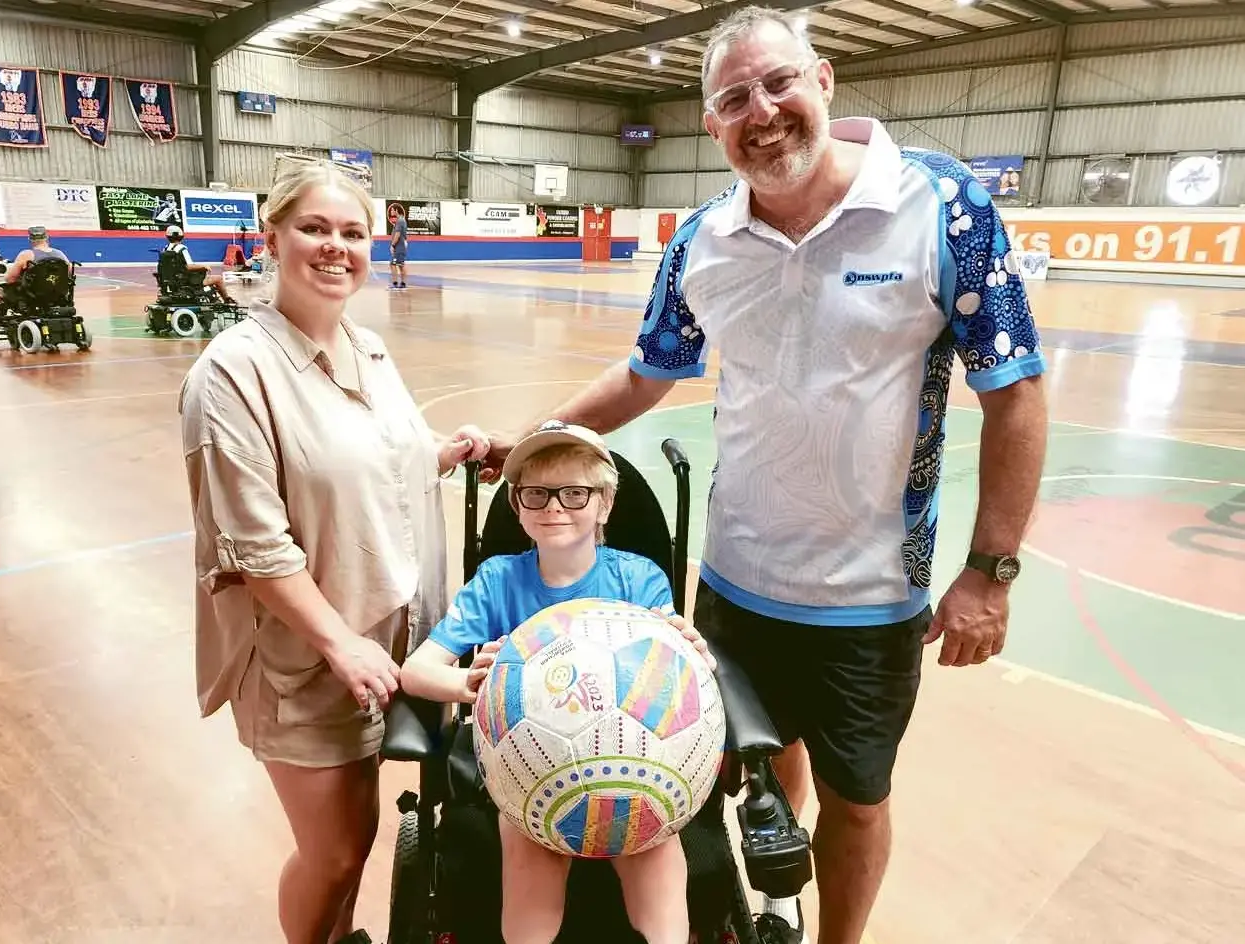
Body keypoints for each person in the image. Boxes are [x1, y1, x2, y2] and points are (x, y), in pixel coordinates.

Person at [477, 8, 1050, 944]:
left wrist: (992, 569)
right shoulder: (703, 238)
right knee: (750, 763)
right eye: (733, 98)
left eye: (778, 83)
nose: (762, 111)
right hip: (736, 584)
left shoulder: (939, 205)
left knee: (856, 799)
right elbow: (646, 373)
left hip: (871, 595)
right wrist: (535, 438)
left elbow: (1015, 392)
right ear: (711, 124)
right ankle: (775, 904)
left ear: (823, 80)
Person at [177, 162, 490, 944]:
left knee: (358, 841)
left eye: (352, 233)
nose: (334, 247)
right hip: (309, 655)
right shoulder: (231, 374)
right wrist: (339, 643)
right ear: (271, 238)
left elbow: (388, 450)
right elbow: (255, 548)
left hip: (394, 642)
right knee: (337, 849)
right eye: (314, 229)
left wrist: (443, 451)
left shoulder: (368, 347)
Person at [401, 421, 715, 944]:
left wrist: (695, 658)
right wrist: (468, 684)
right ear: (518, 506)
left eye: (575, 493)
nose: (555, 507)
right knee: (532, 891)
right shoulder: (499, 580)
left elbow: (672, 680)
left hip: (635, 773)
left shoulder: (638, 580)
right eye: (537, 494)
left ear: (604, 504)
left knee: (659, 884)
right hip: (531, 780)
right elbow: (416, 669)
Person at [0, 225, 69, 314]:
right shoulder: (60, 254)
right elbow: (68, 275)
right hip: (57, 295)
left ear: (29, 239)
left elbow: (10, 279)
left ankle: (0, 318)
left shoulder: (26, 255)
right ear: (47, 237)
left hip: (32, 296)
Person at [162, 224, 237, 303]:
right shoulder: (181, 248)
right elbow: (189, 266)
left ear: (167, 237)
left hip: (173, 280)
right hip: (186, 281)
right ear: (181, 236)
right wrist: (204, 266)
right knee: (218, 279)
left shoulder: (166, 249)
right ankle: (227, 301)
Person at [388, 203, 408, 289]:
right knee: (398, 264)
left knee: (396, 264)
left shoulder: (400, 221)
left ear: (396, 211)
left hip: (399, 247)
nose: (391, 212)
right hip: (399, 247)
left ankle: (397, 284)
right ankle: (400, 283)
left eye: (392, 210)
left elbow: (398, 234)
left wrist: (393, 245)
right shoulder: (399, 220)